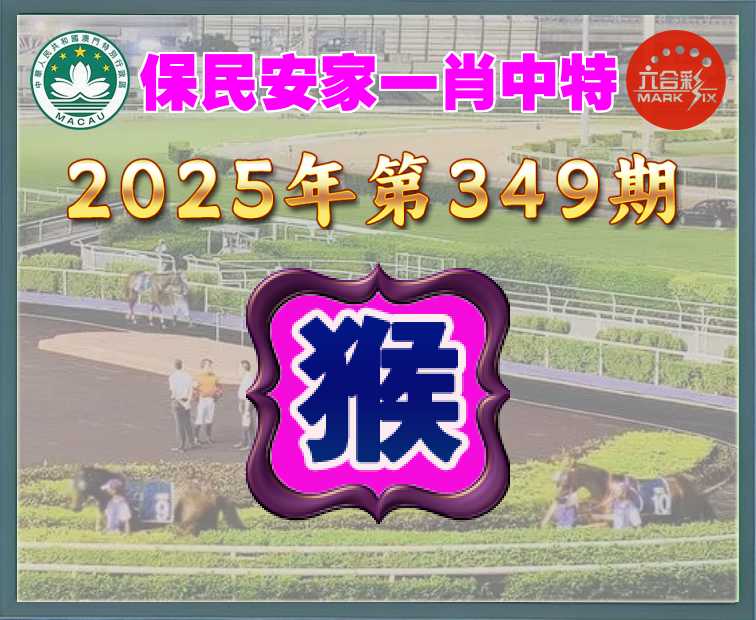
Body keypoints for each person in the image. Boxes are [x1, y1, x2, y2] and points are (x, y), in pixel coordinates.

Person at [194, 358, 222, 444]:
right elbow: (194, 389)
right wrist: (197, 398)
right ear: (203, 366)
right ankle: (195, 438)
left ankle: (208, 438)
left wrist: (217, 395)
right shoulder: (198, 377)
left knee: (209, 419)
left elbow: (219, 388)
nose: (210, 367)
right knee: (199, 419)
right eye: (208, 365)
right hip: (202, 400)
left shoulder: (215, 377)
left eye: (210, 365)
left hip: (211, 400)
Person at [168, 358, 194, 451]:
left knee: (179, 424)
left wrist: (174, 398)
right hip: (186, 401)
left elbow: (173, 391)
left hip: (177, 402)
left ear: (174, 366)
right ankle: (192, 443)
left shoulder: (172, 377)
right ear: (182, 365)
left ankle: (181, 445)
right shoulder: (188, 376)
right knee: (187, 423)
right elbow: (191, 390)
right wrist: (188, 401)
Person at [233, 360, 256, 450]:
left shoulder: (248, 378)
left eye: (239, 368)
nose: (238, 370)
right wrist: (240, 403)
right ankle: (245, 441)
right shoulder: (245, 377)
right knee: (245, 422)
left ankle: (249, 444)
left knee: (247, 423)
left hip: (247, 403)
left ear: (244, 368)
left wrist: (246, 408)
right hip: (244, 402)